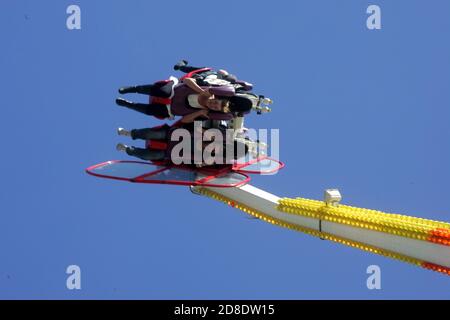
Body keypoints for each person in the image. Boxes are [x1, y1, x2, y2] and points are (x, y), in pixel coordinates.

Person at [115, 122, 248, 165]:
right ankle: (130, 133)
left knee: (152, 156)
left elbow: (198, 161)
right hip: (176, 136)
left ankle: (128, 149)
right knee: (153, 134)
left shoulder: (216, 158)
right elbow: (197, 127)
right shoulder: (221, 136)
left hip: (173, 151)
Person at [116, 77, 235, 123]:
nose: (213, 104)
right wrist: (199, 91)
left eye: (214, 107)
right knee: (162, 91)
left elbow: (184, 120)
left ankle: (129, 105)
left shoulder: (203, 113)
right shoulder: (207, 90)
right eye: (215, 102)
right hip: (175, 90)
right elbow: (188, 80)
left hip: (171, 108)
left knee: (156, 111)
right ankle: (133, 89)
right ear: (216, 99)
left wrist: (199, 112)